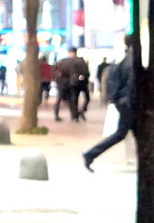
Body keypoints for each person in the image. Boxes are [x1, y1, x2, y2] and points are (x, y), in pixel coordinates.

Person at [83, 36, 136, 171]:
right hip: (128, 103)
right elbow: (132, 85)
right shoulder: (132, 61)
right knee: (122, 133)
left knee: (132, 133)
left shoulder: (125, 59)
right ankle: (90, 154)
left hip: (123, 102)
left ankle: (91, 154)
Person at [54, 48, 89, 122]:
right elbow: (85, 72)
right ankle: (75, 116)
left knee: (61, 99)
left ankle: (57, 114)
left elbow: (58, 71)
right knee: (73, 99)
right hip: (74, 83)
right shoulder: (80, 61)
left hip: (63, 83)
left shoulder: (63, 61)